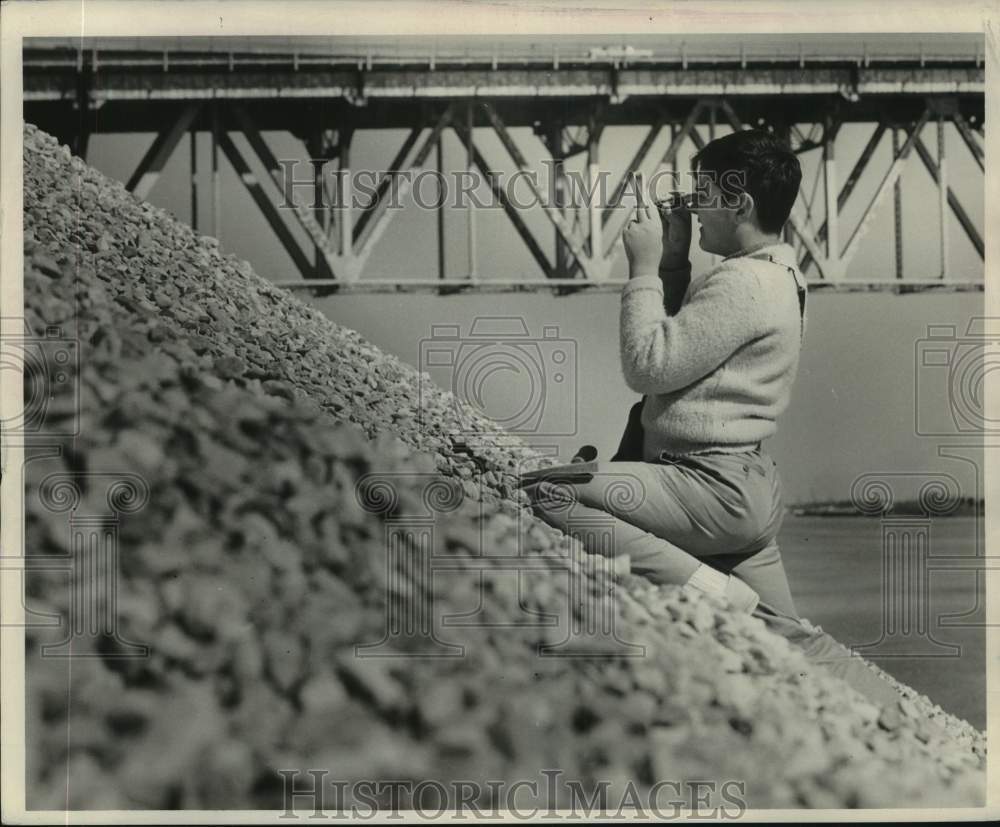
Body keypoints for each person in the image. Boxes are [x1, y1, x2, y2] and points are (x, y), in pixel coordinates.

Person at [523, 129, 806, 618]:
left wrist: (643, 269)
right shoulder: (780, 275)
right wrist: (675, 263)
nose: (693, 208)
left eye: (702, 195)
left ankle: (711, 593)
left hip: (707, 486)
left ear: (738, 205)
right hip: (745, 487)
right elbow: (692, 351)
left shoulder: (744, 282)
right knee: (794, 644)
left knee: (551, 490)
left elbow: (649, 367)